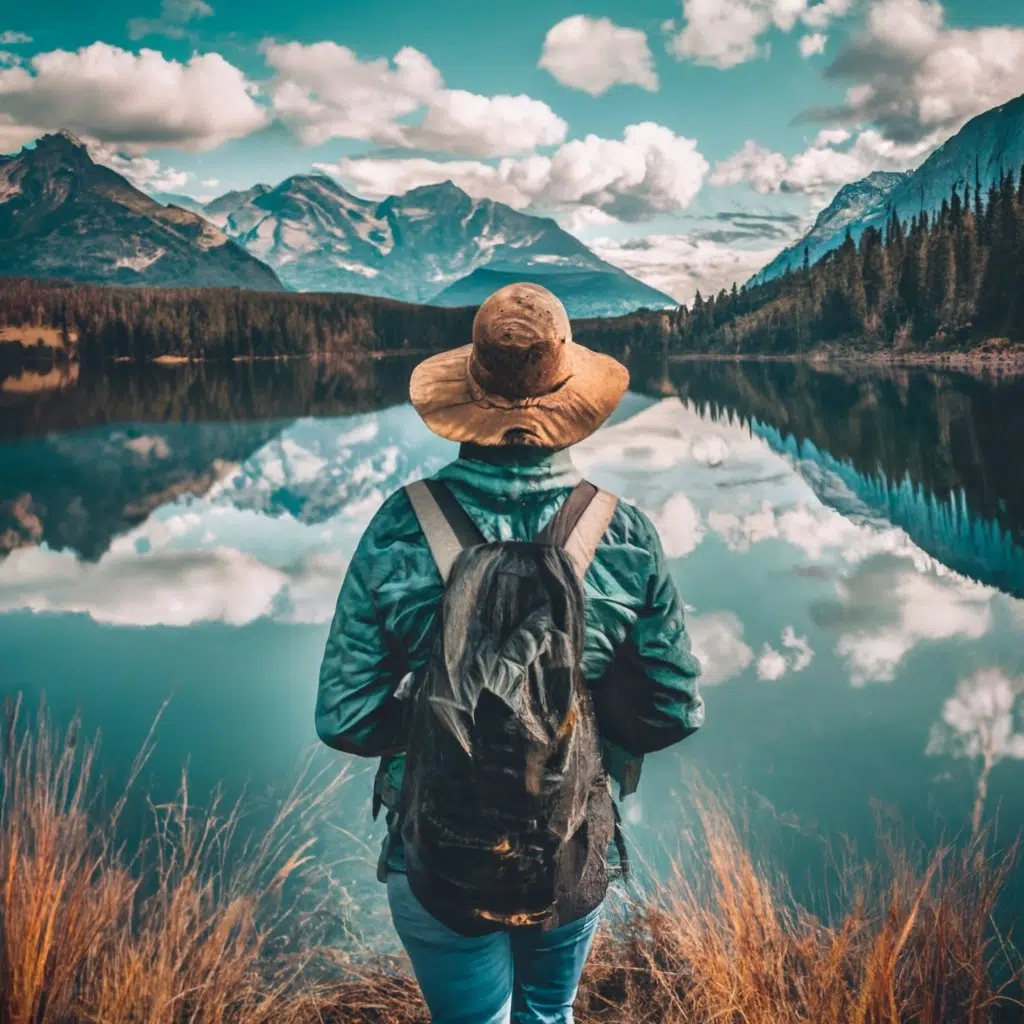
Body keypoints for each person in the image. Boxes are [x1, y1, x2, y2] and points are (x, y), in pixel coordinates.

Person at [316, 282, 704, 1024]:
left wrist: (449, 723)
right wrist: (564, 727)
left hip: (434, 849)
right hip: (568, 841)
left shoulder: (402, 525)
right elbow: (675, 707)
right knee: (549, 1018)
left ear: (466, 394)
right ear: (570, 403)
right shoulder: (623, 534)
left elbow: (343, 717)